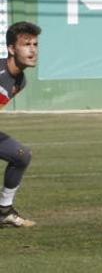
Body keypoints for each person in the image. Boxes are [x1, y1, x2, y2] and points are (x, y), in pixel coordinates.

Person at [0, 21, 40, 228]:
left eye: (35, 44)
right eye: (26, 44)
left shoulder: (20, 81)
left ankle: (4, 211)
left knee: (21, 154)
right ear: (11, 49)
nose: (32, 49)